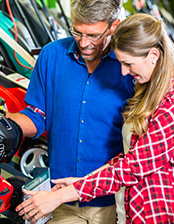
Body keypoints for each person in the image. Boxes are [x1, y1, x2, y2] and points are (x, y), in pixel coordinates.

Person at [15, 13, 174, 224]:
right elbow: (124, 159)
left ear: (153, 55)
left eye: (128, 64)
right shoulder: (152, 96)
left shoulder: (169, 107)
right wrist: (80, 183)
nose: (124, 72)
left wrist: (63, 195)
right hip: (132, 211)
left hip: (155, 212)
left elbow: (132, 168)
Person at [8, 0, 134, 223]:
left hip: (115, 201)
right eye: (77, 32)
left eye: (94, 35)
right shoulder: (51, 56)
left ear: (114, 26)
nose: (84, 43)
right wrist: (2, 122)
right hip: (61, 198)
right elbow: (37, 117)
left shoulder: (129, 66)